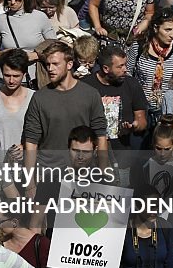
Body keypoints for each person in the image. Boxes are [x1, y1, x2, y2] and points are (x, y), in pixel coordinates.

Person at [22, 41, 108, 196]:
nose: (50, 69)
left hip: (83, 174)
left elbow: (100, 136)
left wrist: (102, 173)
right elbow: (31, 142)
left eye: (55, 64)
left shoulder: (90, 94)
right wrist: (30, 182)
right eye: (48, 64)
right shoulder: (39, 98)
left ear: (69, 64)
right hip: (49, 174)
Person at [82, 44, 148, 158]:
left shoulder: (131, 84)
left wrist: (135, 126)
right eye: (120, 66)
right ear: (106, 68)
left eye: (125, 65)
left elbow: (141, 120)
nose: (125, 69)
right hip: (90, 153)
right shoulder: (85, 86)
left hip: (122, 152)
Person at [126, 7, 173, 119]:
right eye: (167, 30)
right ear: (155, 28)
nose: (171, 35)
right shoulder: (138, 47)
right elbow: (127, 74)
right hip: (140, 108)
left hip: (167, 110)